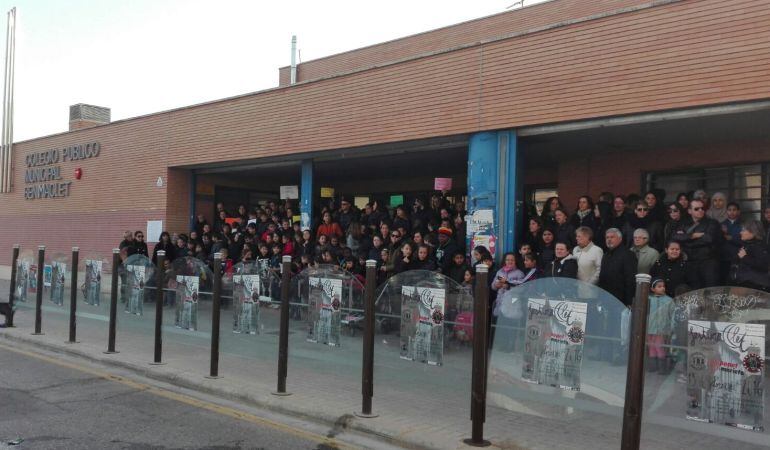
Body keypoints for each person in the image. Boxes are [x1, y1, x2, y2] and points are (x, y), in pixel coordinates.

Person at [673, 199, 722, 289]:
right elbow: (676, 237)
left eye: (702, 208)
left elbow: (709, 238)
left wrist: (686, 239)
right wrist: (694, 235)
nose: (700, 210)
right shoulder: (683, 224)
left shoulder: (712, 223)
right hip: (690, 262)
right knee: (694, 292)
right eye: (696, 209)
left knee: (710, 291)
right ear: (689, 211)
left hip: (708, 262)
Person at [599, 228, 638, 306]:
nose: (609, 239)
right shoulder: (606, 255)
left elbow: (630, 280)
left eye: (612, 237)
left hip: (621, 299)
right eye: (607, 237)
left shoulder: (628, 255)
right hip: (606, 297)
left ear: (620, 239)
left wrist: (629, 302)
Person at [730, 220, 770, 291]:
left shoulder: (760, 247)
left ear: (753, 232)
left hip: (754, 287)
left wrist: (744, 257)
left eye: (743, 230)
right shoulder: (748, 244)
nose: (740, 232)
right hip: (743, 283)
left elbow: (763, 266)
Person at [647, 279, 675, 374]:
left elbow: (673, 316)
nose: (662, 288)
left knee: (659, 347)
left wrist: (671, 328)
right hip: (649, 328)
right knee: (651, 347)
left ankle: (662, 368)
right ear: (652, 289)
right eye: (659, 286)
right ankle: (653, 366)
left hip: (662, 330)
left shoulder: (669, 300)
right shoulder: (648, 299)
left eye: (663, 286)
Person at [572, 226, 603, 293]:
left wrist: (590, 284)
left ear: (587, 237)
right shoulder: (575, 250)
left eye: (579, 236)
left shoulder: (597, 250)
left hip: (590, 291)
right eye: (576, 236)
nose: (576, 238)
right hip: (576, 290)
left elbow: (600, 269)